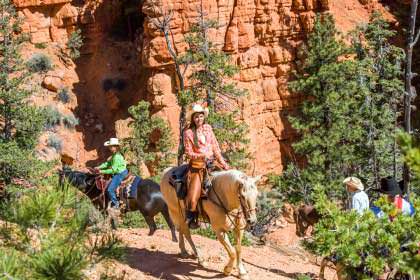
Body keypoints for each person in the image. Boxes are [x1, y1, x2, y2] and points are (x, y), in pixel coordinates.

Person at [183, 104, 230, 229]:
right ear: (193, 119)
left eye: (201, 116)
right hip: (197, 166)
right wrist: (201, 156)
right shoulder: (188, 133)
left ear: (204, 117)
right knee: (193, 196)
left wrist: (223, 163)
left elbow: (215, 147)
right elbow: (189, 152)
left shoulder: (208, 128)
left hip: (212, 163)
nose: (199, 119)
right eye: (196, 117)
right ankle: (191, 216)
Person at [95, 137, 128, 209]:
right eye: (109, 146)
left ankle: (116, 204)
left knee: (110, 190)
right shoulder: (114, 155)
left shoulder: (116, 157)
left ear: (116, 147)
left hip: (120, 173)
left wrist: (102, 171)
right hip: (120, 172)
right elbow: (108, 163)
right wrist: (99, 167)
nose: (109, 148)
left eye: (111, 146)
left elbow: (113, 170)